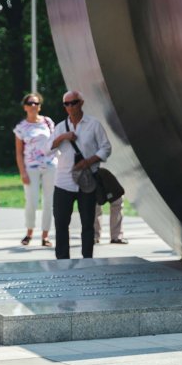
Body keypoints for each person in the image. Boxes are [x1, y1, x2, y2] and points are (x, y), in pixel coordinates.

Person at [50, 90, 111, 259]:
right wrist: (63, 137)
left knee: (87, 223)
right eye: (66, 104)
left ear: (81, 103)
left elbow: (106, 147)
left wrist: (89, 161)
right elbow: (47, 149)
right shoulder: (60, 127)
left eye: (73, 102)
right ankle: (62, 260)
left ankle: (87, 258)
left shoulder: (94, 124)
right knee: (61, 223)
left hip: (87, 181)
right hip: (63, 181)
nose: (70, 106)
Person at [13, 92, 57, 247]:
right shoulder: (21, 128)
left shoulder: (47, 122)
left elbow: (55, 142)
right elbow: (18, 153)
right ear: (25, 107)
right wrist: (22, 172)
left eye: (36, 103)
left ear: (40, 106)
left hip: (50, 166)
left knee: (49, 202)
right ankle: (29, 233)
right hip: (31, 168)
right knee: (31, 201)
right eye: (30, 103)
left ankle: (45, 235)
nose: (33, 106)